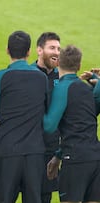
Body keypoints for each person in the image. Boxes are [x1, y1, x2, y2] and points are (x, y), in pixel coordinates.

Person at [0, 30, 48, 203]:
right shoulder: (41, 77)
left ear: (7, 50)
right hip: (34, 152)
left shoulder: (1, 76)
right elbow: (45, 111)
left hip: (8, 151)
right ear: (29, 52)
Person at [44, 45, 100, 203]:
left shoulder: (62, 88)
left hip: (75, 160)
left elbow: (49, 126)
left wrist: (35, 110)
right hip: (96, 158)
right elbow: (79, 126)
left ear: (58, 62)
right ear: (79, 66)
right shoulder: (87, 89)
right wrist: (58, 156)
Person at [31, 32, 61, 203]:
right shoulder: (28, 74)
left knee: (45, 196)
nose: (56, 52)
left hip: (51, 148)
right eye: (52, 48)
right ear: (39, 50)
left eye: (58, 48)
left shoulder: (61, 77)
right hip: (29, 147)